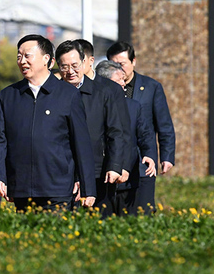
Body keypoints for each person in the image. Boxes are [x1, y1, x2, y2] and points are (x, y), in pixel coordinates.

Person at [0, 34, 96, 212]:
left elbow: (81, 143)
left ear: (47, 59)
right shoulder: (9, 95)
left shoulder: (68, 94)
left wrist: (88, 187)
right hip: (21, 188)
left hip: (58, 188)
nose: (22, 61)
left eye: (27, 55)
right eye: (19, 56)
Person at [55, 40, 130, 217]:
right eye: (64, 67)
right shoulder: (53, 94)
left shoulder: (103, 92)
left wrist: (115, 165)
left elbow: (116, 131)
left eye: (74, 65)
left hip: (99, 172)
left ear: (84, 62)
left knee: (99, 225)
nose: (70, 71)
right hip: (62, 173)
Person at [107, 41, 176, 214]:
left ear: (133, 61)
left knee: (142, 212)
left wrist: (167, 156)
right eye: (114, 65)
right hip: (114, 163)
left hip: (143, 163)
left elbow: (164, 124)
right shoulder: (104, 90)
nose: (119, 69)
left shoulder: (151, 87)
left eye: (122, 64)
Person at [96, 60, 157, 215]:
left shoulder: (134, 106)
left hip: (128, 182)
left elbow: (145, 135)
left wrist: (149, 155)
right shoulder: (93, 106)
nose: (124, 84)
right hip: (102, 180)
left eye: (124, 80)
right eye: (119, 80)